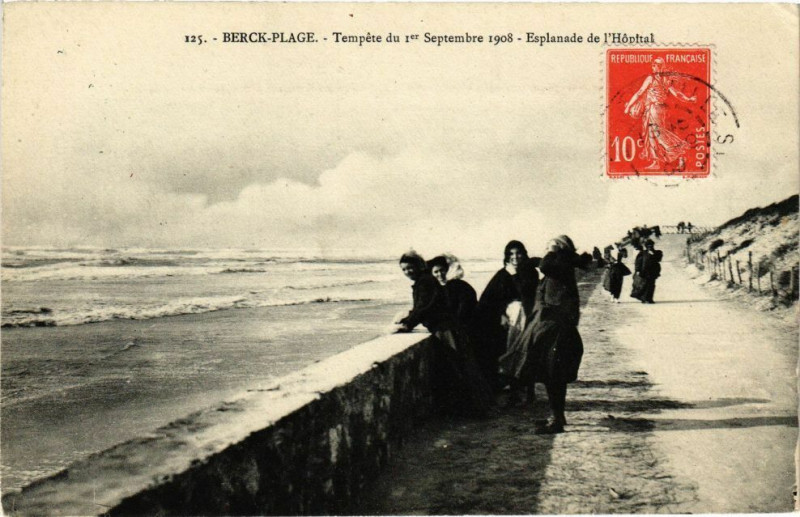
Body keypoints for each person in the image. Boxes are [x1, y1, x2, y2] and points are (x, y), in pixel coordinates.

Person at [499, 235, 592, 434]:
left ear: (561, 249)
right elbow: (541, 265)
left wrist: (551, 251)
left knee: (554, 375)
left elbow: (545, 265)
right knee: (552, 374)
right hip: (552, 327)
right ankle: (557, 416)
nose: (547, 251)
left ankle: (557, 419)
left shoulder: (560, 265)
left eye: (551, 247)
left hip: (556, 328)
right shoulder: (562, 266)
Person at [396, 252, 492, 416]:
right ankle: (477, 407)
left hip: (445, 329)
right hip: (446, 327)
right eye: (404, 269)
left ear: (418, 266)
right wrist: (407, 320)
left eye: (410, 268)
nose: (407, 272)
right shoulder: (425, 281)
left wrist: (407, 324)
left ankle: (476, 409)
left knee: (458, 367)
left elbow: (424, 308)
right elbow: (421, 308)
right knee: (461, 366)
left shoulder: (425, 283)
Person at [475, 241, 539, 395]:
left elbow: (526, 294)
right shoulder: (502, 274)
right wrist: (501, 314)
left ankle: (523, 387)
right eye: (511, 254)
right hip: (507, 322)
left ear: (524, 254)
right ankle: (510, 384)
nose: (515, 257)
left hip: (526, 317)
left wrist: (515, 275)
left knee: (525, 350)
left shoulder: (530, 272)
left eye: (518, 253)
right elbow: (488, 299)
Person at [624, 57, 698, 171]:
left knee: (656, 135)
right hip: (661, 109)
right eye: (653, 65)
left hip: (653, 109)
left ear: (659, 67)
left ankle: (678, 154)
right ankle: (659, 161)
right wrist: (689, 99)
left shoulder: (651, 78)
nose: (653, 67)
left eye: (655, 65)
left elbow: (639, 92)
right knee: (657, 134)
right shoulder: (666, 79)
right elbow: (677, 94)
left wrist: (629, 106)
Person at [427, 254, 477, 328]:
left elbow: (465, 307)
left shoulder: (460, 285)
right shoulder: (436, 289)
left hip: (465, 324)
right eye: (436, 272)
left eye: (442, 270)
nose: (439, 274)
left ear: (447, 270)